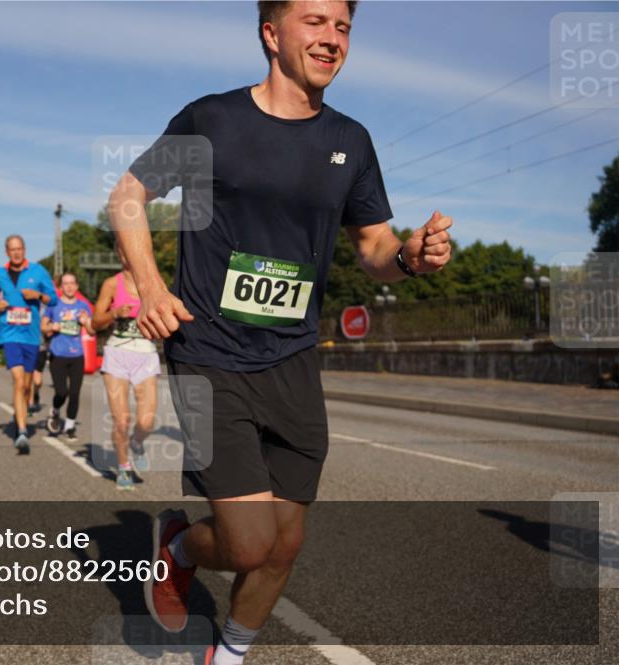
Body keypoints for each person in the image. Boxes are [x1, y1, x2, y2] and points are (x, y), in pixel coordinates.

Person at [109, 2, 454, 662]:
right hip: (209, 350)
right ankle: (179, 546)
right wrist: (151, 287)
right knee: (248, 543)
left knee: (285, 541)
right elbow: (128, 197)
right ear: (271, 33)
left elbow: (373, 246)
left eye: (343, 27)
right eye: (315, 22)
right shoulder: (211, 119)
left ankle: (229, 654)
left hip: (293, 355)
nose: (332, 39)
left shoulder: (351, 140)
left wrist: (409, 257)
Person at [92, 251, 158, 490]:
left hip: (146, 353)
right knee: (121, 420)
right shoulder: (112, 284)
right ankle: (123, 466)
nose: (126, 254)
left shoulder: (154, 281)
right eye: (121, 249)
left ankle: (137, 443)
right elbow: (95, 322)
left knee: (147, 421)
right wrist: (114, 313)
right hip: (117, 353)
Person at [0, 234, 58, 454]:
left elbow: (54, 299)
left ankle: (20, 414)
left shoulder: (38, 271)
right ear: (7, 252)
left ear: (24, 250)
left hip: (31, 336)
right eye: (12, 249)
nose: (16, 253)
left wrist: (38, 295)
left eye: (19, 248)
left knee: (27, 386)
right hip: (10, 334)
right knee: (18, 381)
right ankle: (21, 431)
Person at [42, 272, 94, 440]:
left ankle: (70, 426)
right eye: (66, 283)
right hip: (58, 354)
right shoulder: (54, 305)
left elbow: (92, 331)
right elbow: (43, 327)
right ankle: (56, 411)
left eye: (72, 283)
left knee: (75, 393)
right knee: (61, 392)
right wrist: (51, 326)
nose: (69, 286)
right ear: (61, 287)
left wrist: (86, 322)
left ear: (77, 286)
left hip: (77, 355)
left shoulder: (83, 306)